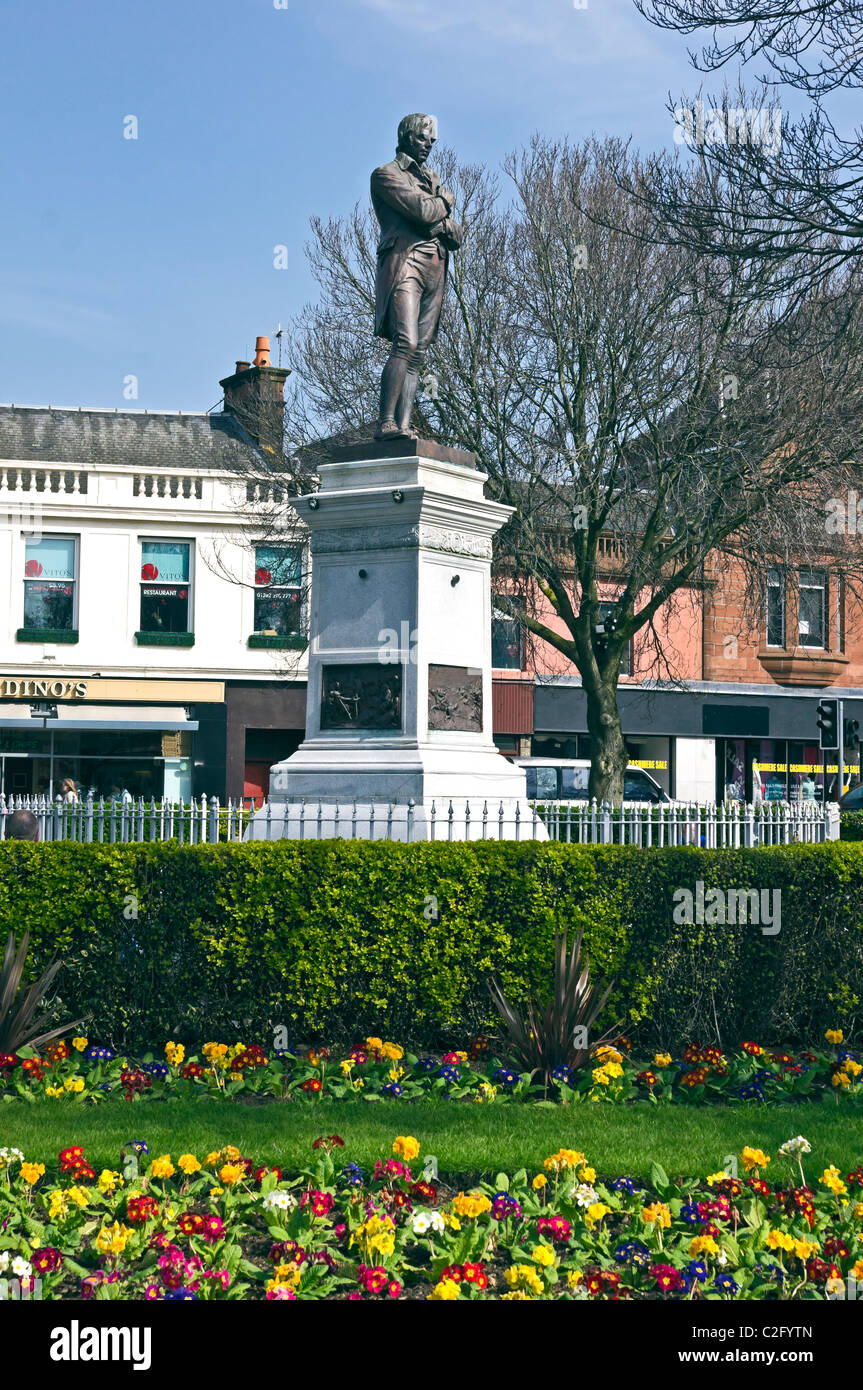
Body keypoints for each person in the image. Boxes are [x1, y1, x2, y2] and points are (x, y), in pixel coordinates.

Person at [371, 113, 464, 440]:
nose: (430, 144)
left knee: (419, 351)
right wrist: (443, 204)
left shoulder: (431, 179)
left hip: (435, 269)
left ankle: (404, 426)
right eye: (424, 137)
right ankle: (386, 423)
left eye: (433, 139)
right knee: (405, 342)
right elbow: (424, 212)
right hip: (405, 263)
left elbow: (454, 231)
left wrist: (436, 215)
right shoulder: (385, 175)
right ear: (407, 136)